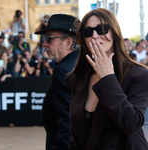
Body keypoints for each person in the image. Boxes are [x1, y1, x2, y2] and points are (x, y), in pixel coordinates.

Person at [65, 8, 148, 150]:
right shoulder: (74, 78)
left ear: (114, 33)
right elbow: (77, 134)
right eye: (88, 32)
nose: (95, 36)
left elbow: (130, 123)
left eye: (102, 29)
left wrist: (107, 78)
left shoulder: (139, 74)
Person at [34, 14, 80, 150]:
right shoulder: (79, 63)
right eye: (44, 38)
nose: (44, 43)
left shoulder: (63, 71)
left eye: (50, 38)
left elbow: (68, 121)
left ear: (68, 43)